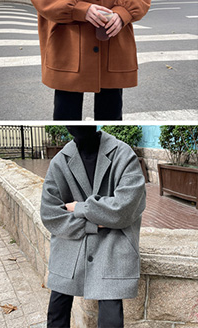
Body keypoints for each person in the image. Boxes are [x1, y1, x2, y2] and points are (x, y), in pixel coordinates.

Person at [40, 126, 146, 327]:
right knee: (56, 312)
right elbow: (50, 214)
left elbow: (125, 208)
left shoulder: (123, 155)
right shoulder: (59, 161)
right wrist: (98, 222)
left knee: (111, 317)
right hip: (70, 247)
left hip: (113, 247)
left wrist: (79, 208)